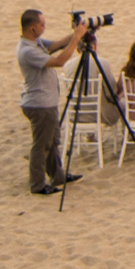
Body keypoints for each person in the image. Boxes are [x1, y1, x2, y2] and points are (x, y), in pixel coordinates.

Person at [16, 10, 87, 195]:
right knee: (42, 145)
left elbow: (56, 45)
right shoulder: (28, 50)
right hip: (39, 104)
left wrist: (77, 32)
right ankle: (37, 184)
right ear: (32, 28)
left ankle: (57, 175)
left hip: (47, 101)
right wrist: (76, 38)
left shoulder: (35, 42)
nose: (44, 27)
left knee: (53, 141)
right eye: (42, 25)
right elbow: (60, 61)